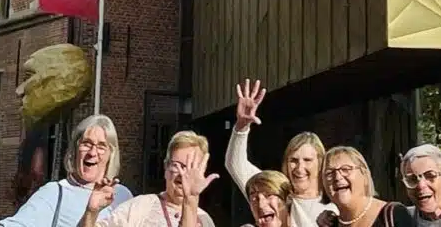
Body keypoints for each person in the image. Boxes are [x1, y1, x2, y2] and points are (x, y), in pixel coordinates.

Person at [226, 79, 336, 227]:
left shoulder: (334, 206)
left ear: (321, 163)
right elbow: (235, 164)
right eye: (293, 160)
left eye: (307, 160)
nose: (299, 168)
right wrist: (241, 127)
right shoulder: (273, 192)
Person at [0, 114, 133, 227]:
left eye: (101, 146)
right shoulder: (55, 193)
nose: (92, 153)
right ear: (74, 149)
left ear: (111, 154)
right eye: (86, 144)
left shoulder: (122, 195)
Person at [80, 130, 219, 227]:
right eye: (177, 165)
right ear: (165, 167)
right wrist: (91, 213)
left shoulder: (204, 220)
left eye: (191, 167)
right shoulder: (140, 208)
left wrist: (191, 200)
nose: (183, 174)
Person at [318, 146, 415, 227]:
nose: (337, 177)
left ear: (364, 174)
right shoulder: (329, 224)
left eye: (346, 169)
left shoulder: (394, 215)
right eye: (329, 173)